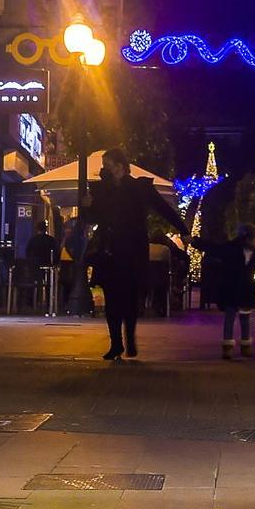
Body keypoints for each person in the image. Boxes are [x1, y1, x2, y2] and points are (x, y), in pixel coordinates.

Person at [83, 150, 186, 360]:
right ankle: (116, 344)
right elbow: (92, 218)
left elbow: (163, 209)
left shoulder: (139, 187)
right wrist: (86, 207)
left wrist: (183, 229)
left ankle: (129, 338)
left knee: (129, 296)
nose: (104, 169)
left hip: (131, 250)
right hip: (109, 250)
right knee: (111, 297)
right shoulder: (102, 190)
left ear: (120, 166)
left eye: (107, 164)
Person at [211, 224, 255, 359]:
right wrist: (195, 242)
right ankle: (228, 347)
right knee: (230, 317)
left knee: (244, 318)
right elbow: (214, 248)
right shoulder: (231, 249)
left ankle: (245, 345)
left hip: (245, 289)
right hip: (232, 288)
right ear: (248, 238)